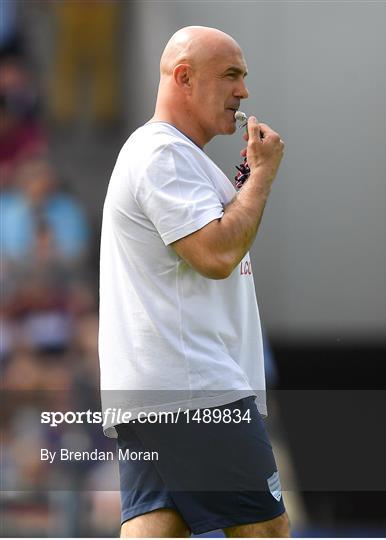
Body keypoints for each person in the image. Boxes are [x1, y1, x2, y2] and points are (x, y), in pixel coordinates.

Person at [98, 26, 289, 537]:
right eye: (230, 75)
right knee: (266, 532)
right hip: (195, 390)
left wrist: (245, 183)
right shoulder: (163, 154)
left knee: (158, 528)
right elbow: (216, 253)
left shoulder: (178, 157)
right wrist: (263, 179)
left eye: (243, 77)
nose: (243, 92)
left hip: (160, 390)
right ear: (184, 77)